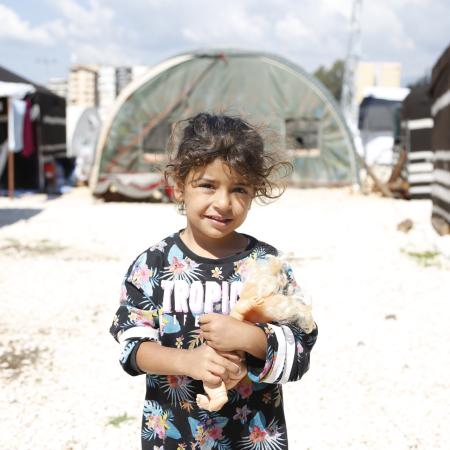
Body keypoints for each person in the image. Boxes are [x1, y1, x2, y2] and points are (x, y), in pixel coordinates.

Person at [110, 113, 318, 450]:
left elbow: (301, 349)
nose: (223, 203)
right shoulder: (153, 265)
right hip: (174, 437)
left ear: (255, 192)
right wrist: (187, 362)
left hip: (253, 436)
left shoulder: (267, 265)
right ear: (178, 185)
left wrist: (251, 338)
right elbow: (132, 347)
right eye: (207, 185)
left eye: (239, 189)